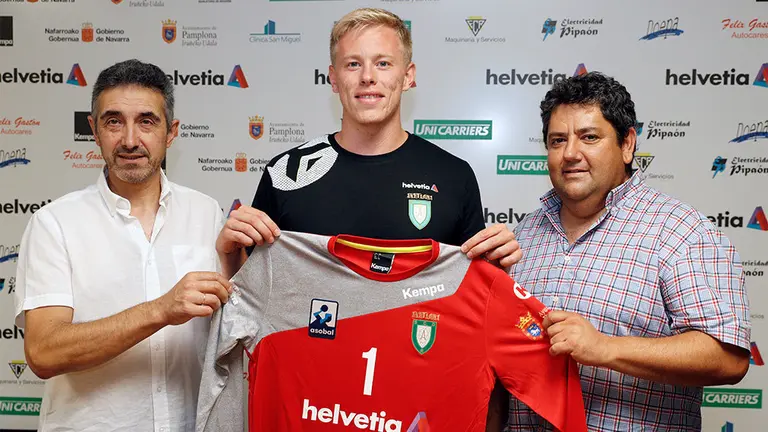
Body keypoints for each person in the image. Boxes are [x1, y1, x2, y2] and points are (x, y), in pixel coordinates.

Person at [215, 7, 520, 429]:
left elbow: (468, 294)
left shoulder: (453, 176)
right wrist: (229, 257)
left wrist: (497, 272)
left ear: (408, 75)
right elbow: (249, 303)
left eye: (382, 63)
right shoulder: (287, 172)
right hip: (312, 408)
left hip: (408, 406)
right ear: (333, 77)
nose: (367, 77)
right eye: (353, 64)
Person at [504, 72, 750, 431]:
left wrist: (606, 348)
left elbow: (729, 359)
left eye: (589, 137)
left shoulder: (681, 231)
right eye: (558, 140)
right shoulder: (523, 235)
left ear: (627, 144)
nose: (570, 153)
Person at [14, 59, 231, 432]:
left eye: (147, 121)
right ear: (94, 130)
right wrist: (161, 309)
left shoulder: (207, 213)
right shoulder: (54, 223)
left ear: (171, 131)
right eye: (114, 121)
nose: (130, 140)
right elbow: (44, 352)